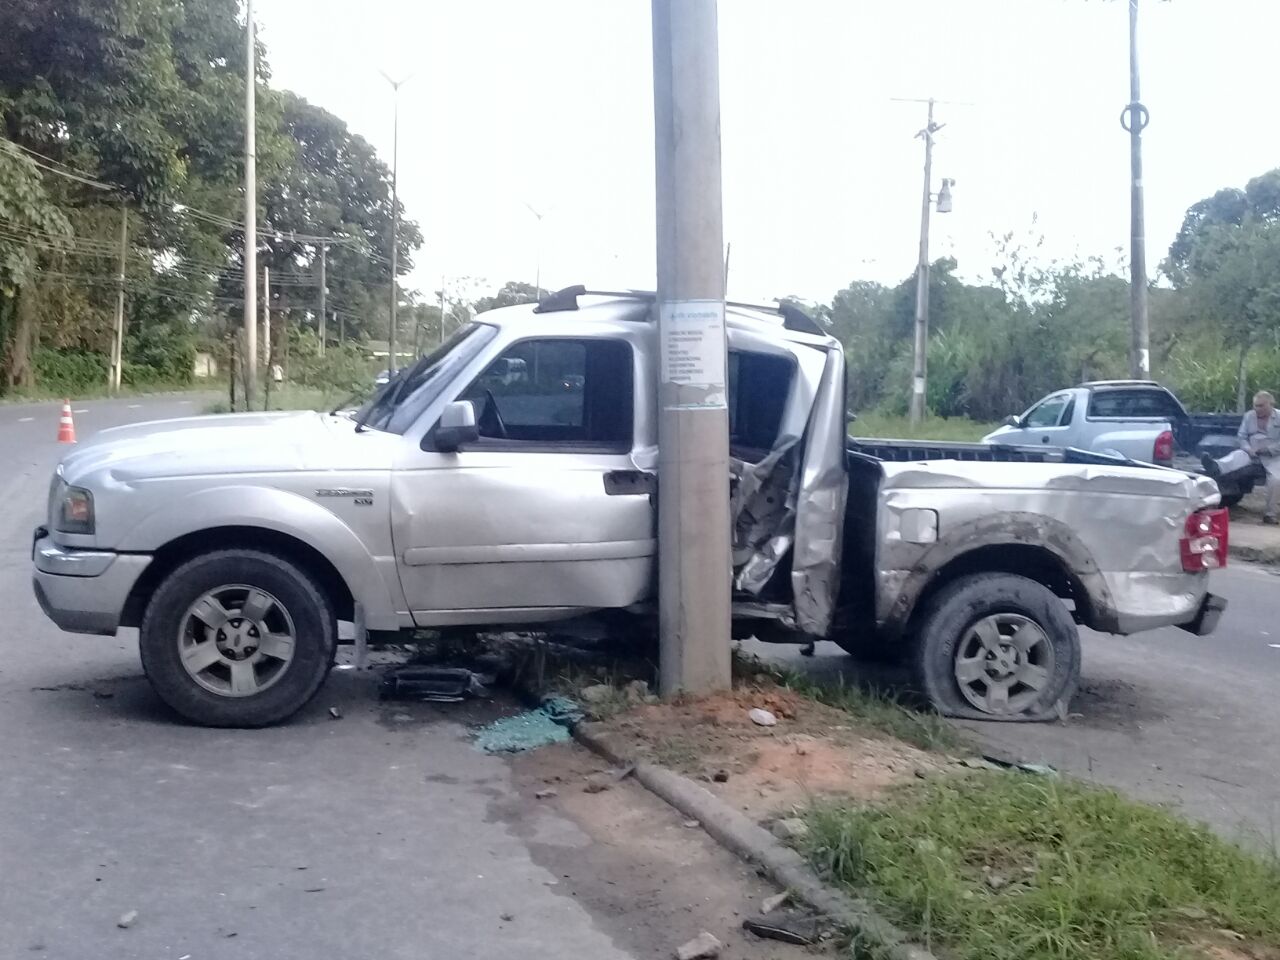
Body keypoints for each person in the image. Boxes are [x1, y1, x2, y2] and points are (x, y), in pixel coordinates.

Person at [1203, 390, 1280, 524]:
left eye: (1261, 406)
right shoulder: (1249, 416)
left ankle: (1270, 514)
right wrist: (1248, 449)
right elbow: (1242, 436)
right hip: (1251, 451)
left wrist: (1267, 450)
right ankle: (1216, 466)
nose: (1257, 408)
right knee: (1236, 456)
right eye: (1255, 405)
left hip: (1273, 456)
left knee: (1275, 480)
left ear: (1270, 404)